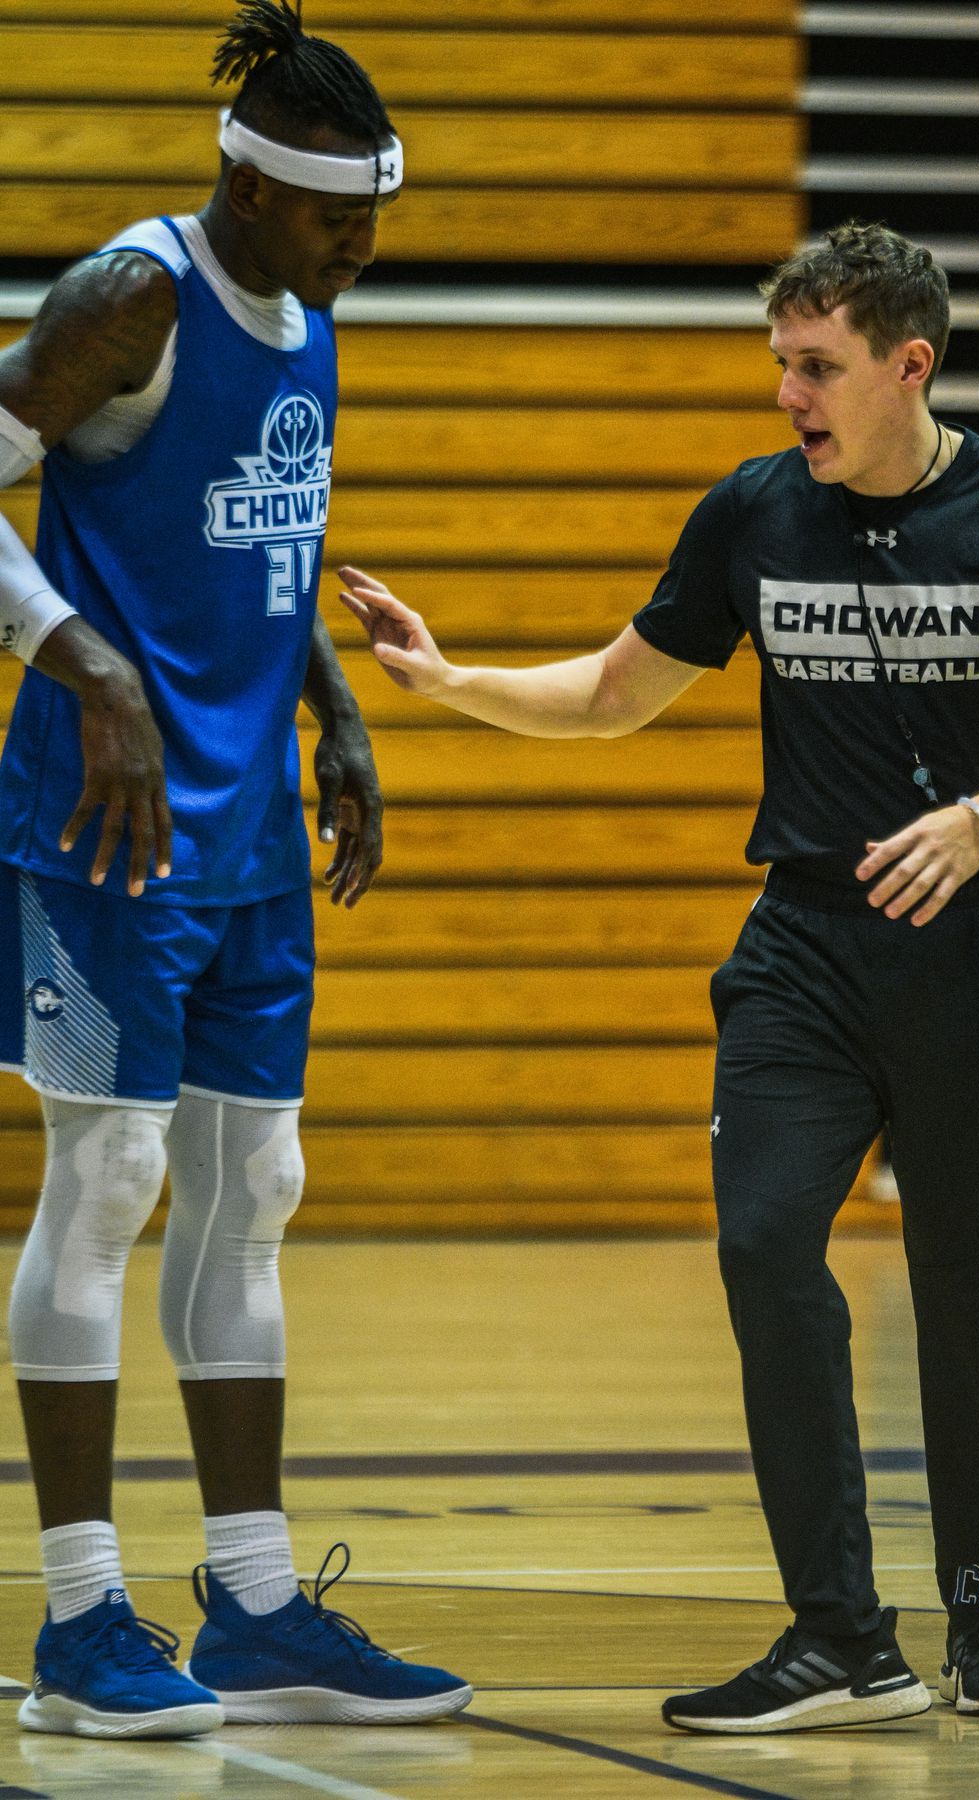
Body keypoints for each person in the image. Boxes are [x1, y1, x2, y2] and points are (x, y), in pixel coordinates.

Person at [341, 221, 979, 1730]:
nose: (789, 395)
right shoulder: (755, 515)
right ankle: (842, 1636)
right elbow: (612, 692)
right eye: (781, 363)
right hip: (803, 946)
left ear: (912, 366)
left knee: (972, 1291)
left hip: (972, 935)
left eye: (817, 367)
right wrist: (448, 681)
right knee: (766, 1246)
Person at [0, 0, 470, 1740]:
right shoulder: (132, 298)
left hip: (250, 829)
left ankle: (259, 1607)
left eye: (377, 217)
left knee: (253, 1181)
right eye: (341, 217)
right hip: (105, 821)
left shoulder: (303, 300)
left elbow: (272, 517)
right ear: (249, 186)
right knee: (108, 1181)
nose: (365, 245)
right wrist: (88, 668)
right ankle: (77, 1622)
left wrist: (335, 706)